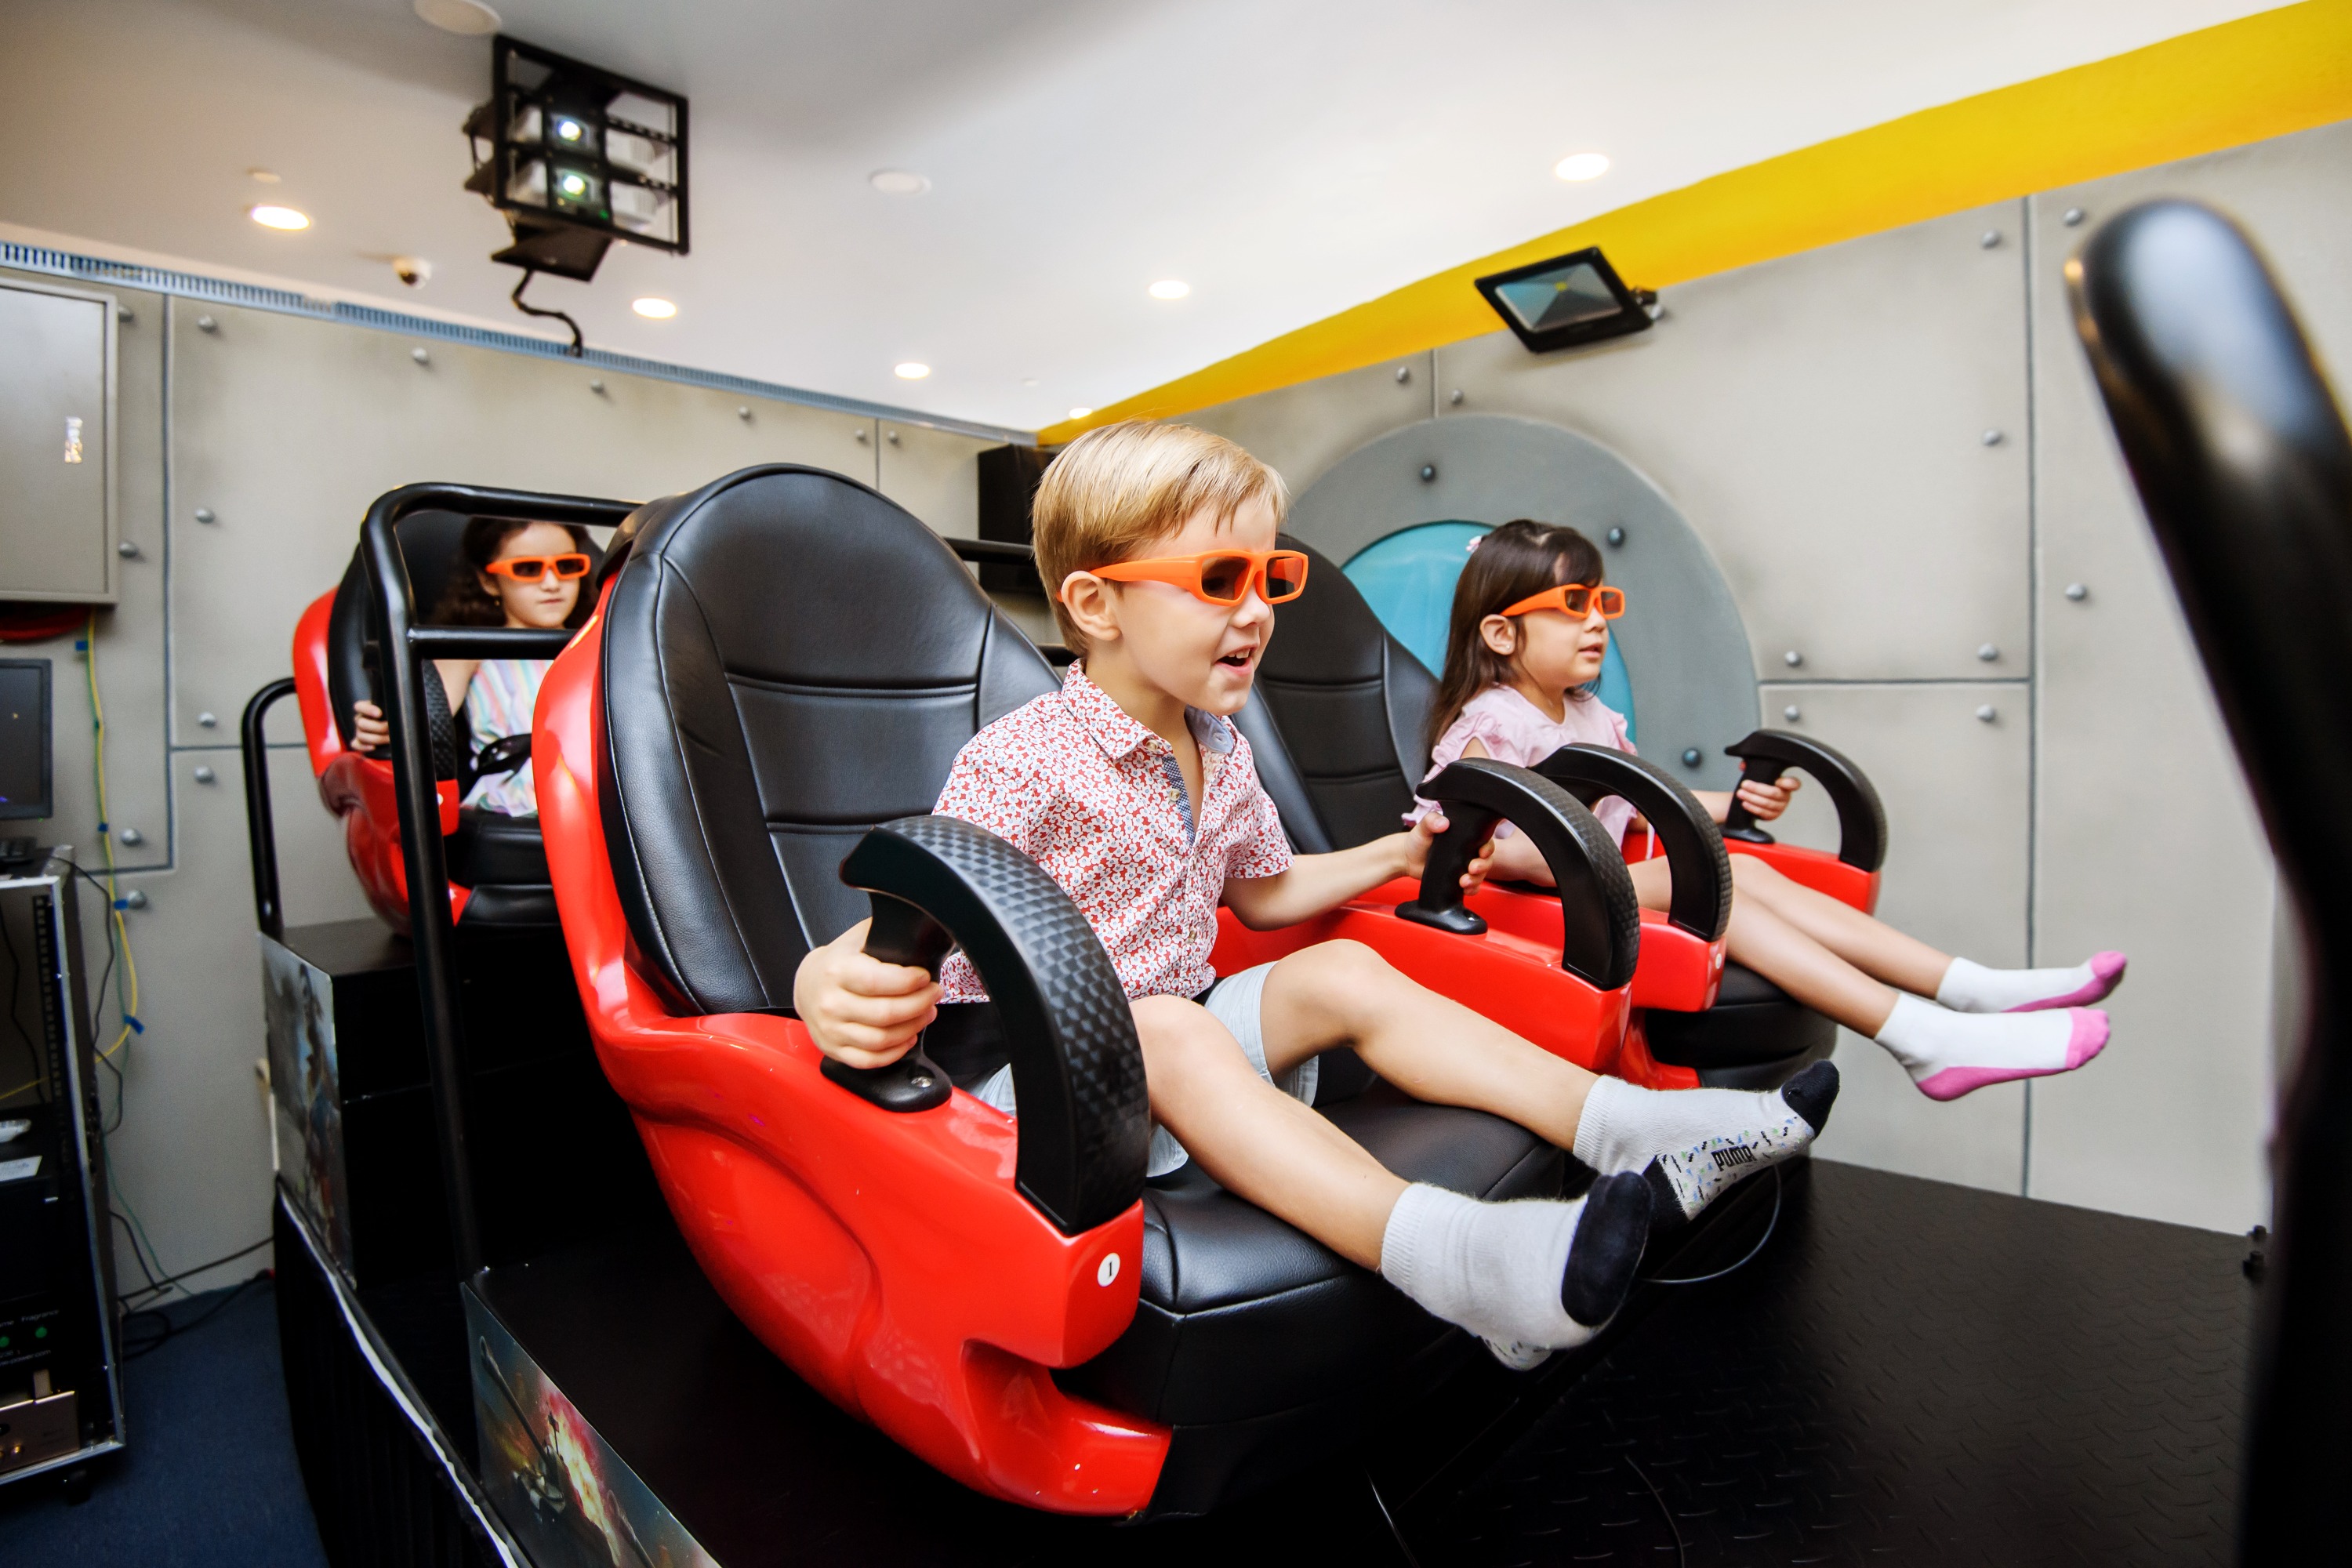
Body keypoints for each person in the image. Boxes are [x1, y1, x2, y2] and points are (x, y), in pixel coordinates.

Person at [793, 423, 1840, 1370]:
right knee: (1168, 1027)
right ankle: (1465, 1261)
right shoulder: (1024, 759)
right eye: (1219, 579)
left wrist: (1394, 857)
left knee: (1340, 967)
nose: (1257, 610)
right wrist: (820, 982)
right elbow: (908, 917)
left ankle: (1631, 1127)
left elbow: (1267, 891)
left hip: (1175, 1045)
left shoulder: (1219, 744)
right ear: (1095, 605)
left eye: (1270, 577)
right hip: (1028, 1086)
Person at [1417, 518, 2122, 1102]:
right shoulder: (1493, 724)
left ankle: (1973, 988)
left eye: (1603, 602)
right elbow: (1452, 838)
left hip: (1590, 884)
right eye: (1573, 605)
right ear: (1502, 634)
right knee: (1723, 886)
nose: (1597, 621)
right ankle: (1926, 1036)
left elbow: (1635, 801)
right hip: (1532, 906)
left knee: (1742, 869)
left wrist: (1733, 805)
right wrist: (1542, 856)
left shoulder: (1589, 715)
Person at [348, 517, 593, 815]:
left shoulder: (600, 644)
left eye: (567, 566)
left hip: (601, 781)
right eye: (528, 569)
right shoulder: (472, 649)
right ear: (489, 581)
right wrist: (384, 728)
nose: (552, 584)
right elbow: (422, 714)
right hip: (521, 798)